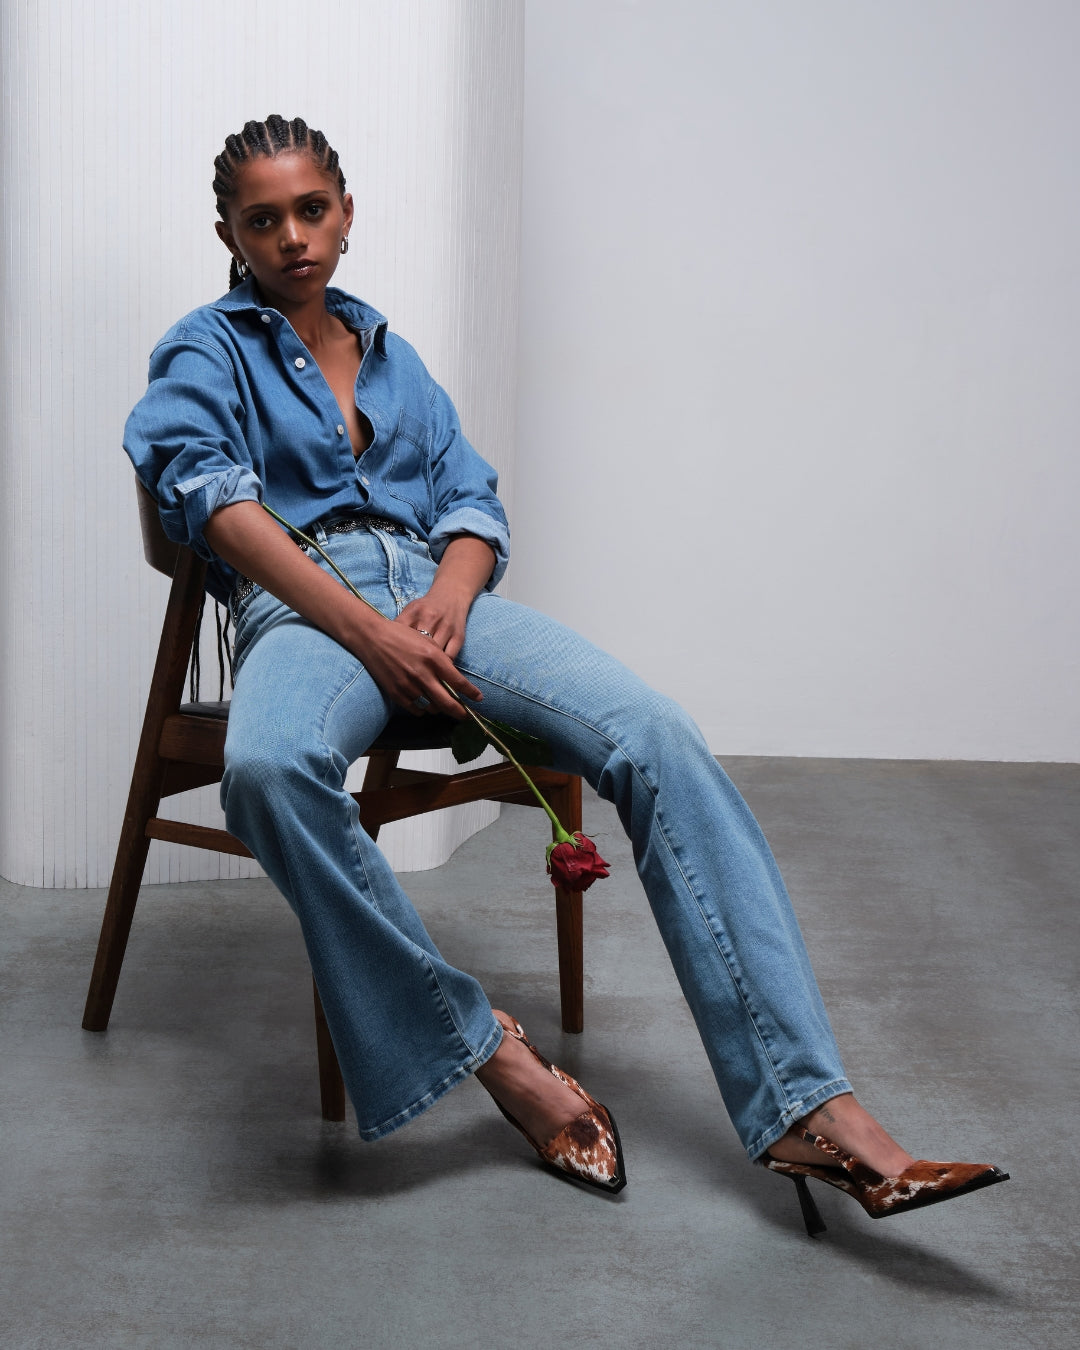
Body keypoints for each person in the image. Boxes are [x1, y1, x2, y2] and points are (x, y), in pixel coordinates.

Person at [124, 115, 1007, 1226]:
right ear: (230, 235)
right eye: (264, 220)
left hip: (437, 597)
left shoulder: (393, 355)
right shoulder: (204, 350)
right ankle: (492, 1052)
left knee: (655, 732)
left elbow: (472, 503)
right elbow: (213, 506)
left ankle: (809, 1107)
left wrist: (448, 599)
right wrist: (370, 632)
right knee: (265, 770)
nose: (293, 237)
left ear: (346, 212)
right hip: (307, 609)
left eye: (312, 209)